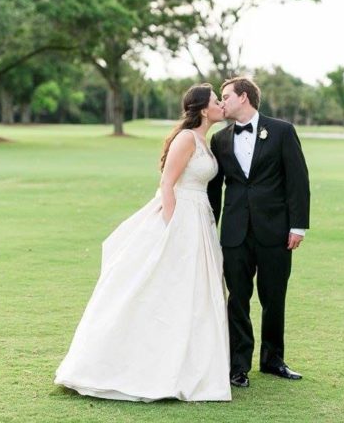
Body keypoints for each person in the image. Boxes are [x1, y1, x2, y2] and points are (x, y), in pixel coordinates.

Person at [55, 84, 231, 402]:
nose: (221, 105)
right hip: (180, 216)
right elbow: (167, 183)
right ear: (204, 109)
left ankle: (188, 364)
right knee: (159, 287)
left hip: (199, 218)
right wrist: (172, 226)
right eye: (217, 101)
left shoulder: (205, 141)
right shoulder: (186, 139)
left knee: (192, 293)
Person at [207, 76, 310, 388]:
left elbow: (297, 181)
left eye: (225, 96)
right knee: (238, 299)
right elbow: (215, 191)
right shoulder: (220, 139)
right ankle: (238, 366)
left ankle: (273, 359)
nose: (222, 102)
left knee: (273, 297)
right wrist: (207, 226)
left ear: (244, 97)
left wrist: (297, 226)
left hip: (275, 231)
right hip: (235, 233)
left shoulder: (282, 131)